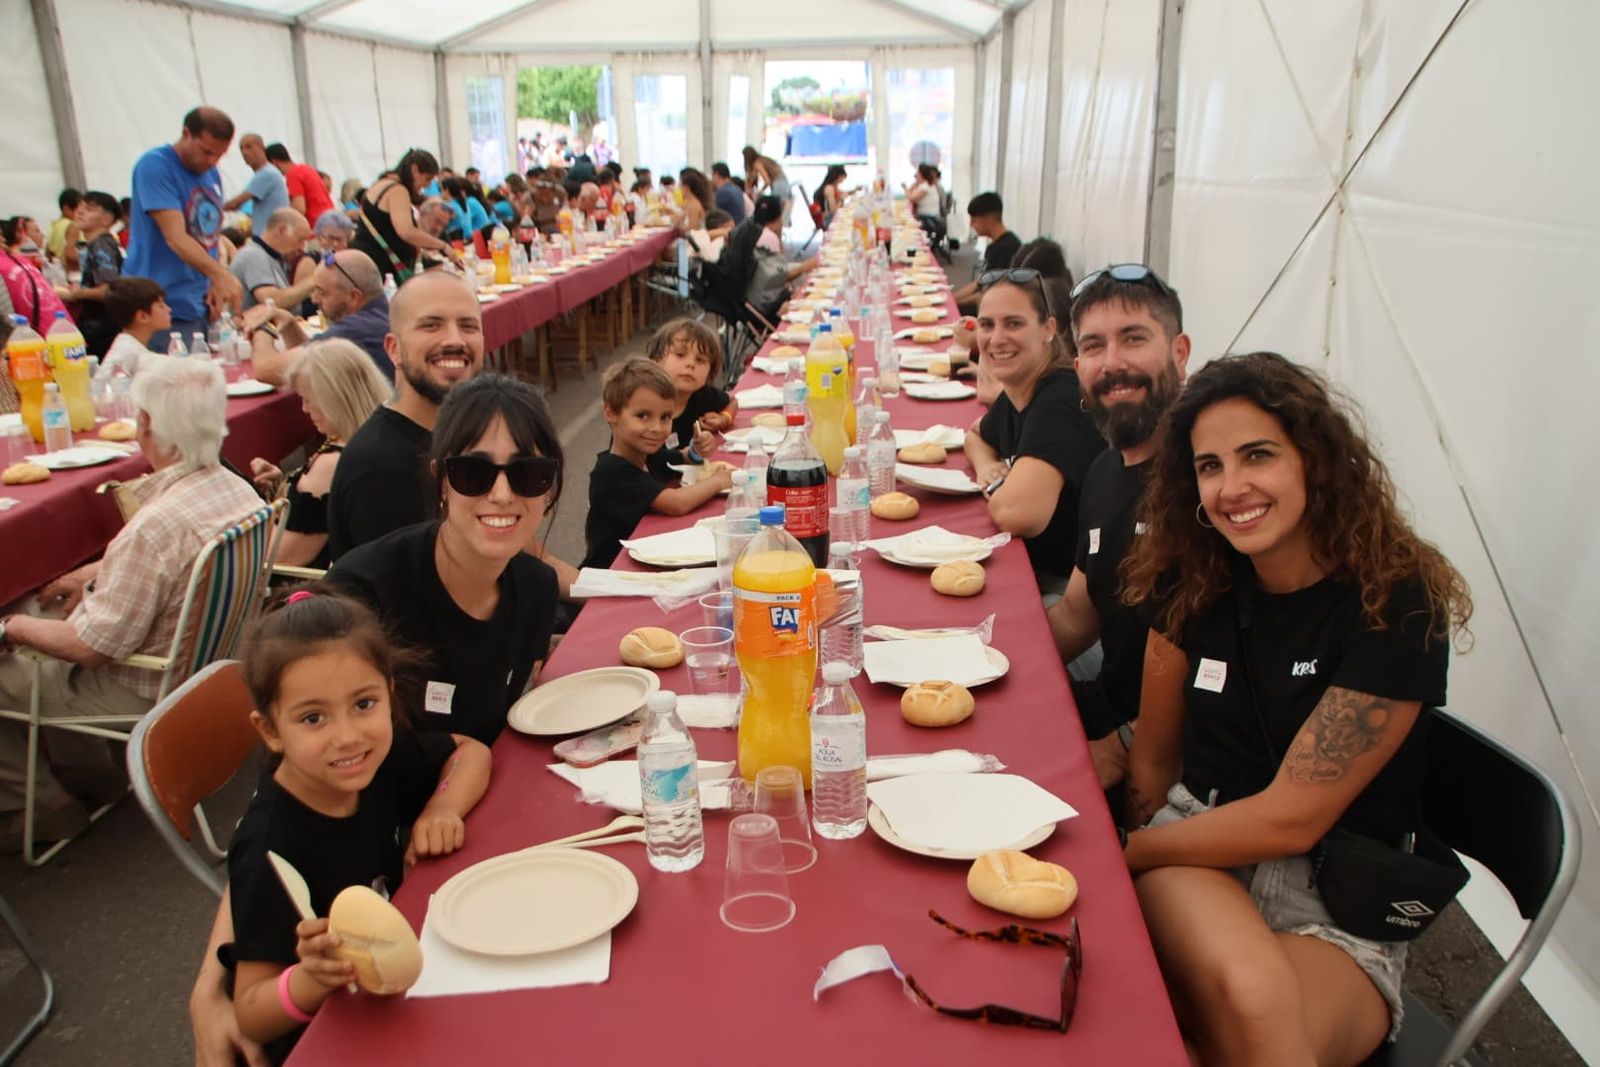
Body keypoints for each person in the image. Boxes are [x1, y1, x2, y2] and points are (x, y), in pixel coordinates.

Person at [1120, 351, 1473, 1066]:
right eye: (1210, 466)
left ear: (1314, 458)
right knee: (1246, 997)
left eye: (1257, 455)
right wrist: (1150, 842)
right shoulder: (1197, 580)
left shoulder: (1395, 598)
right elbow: (1154, 758)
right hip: (1200, 856)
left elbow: (1293, 814)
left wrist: (1127, 854)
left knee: (1231, 1031)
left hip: (1337, 907)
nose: (1232, 486)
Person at [0, 355, 262, 851]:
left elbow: (89, 647)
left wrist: (12, 626)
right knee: (52, 619)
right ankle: (94, 774)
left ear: (145, 424)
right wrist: (99, 572)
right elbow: (178, 560)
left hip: (150, 687)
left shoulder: (155, 524)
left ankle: (43, 805)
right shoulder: (233, 487)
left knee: (28, 641)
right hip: (214, 665)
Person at [221, 589, 490, 1060]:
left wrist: (441, 809)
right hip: (336, 1037)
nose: (346, 736)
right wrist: (307, 981)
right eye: (312, 718)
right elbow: (250, 1012)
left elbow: (470, 752)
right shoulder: (270, 846)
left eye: (363, 704)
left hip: (408, 993)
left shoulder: (375, 760)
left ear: (387, 693)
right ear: (269, 730)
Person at [328, 374, 564, 745]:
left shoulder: (537, 588)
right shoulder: (361, 597)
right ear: (441, 482)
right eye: (474, 473)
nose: (501, 494)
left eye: (528, 474)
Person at [1043, 264, 1189, 791]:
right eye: (1095, 346)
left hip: (1163, 750)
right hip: (1106, 708)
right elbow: (1078, 616)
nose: (1114, 364)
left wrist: (1126, 743)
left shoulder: (1206, 479)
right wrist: (985, 660)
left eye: (1133, 339)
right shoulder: (1107, 469)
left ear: (1180, 351)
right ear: (1078, 364)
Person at [962, 269, 1104, 597]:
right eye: (987, 325)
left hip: (1065, 592)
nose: (997, 339)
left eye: (1014, 323)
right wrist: (987, 468)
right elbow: (974, 435)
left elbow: (1017, 514)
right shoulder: (1020, 390)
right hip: (1033, 569)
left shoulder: (1059, 400)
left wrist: (1000, 485)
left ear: (1048, 329)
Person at [326, 270, 481, 560]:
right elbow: (405, 599)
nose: (455, 339)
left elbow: (525, 555)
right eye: (431, 325)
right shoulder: (379, 469)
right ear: (394, 349)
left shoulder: (471, 432)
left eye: (468, 326)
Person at [249, 339, 391, 569]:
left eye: (308, 399)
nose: (304, 409)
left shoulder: (332, 462)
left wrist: (253, 510)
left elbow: (280, 556)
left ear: (334, 399)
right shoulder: (381, 433)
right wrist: (283, 484)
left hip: (314, 589)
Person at [582, 359, 734, 570]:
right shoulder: (613, 470)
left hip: (644, 560)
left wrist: (696, 452)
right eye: (643, 416)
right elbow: (676, 503)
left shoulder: (647, 455)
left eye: (665, 417)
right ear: (611, 413)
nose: (656, 427)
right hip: (613, 571)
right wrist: (718, 481)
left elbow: (679, 458)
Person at [125, 106, 244, 347]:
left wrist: (213, 281)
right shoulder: (155, 166)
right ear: (186, 133)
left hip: (199, 303)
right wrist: (219, 274)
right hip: (159, 306)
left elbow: (208, 234)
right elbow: (176, 237)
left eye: (219, 155)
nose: (212, 161)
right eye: (206, 151)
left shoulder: (211, 174)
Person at [244, 249, 393, 384]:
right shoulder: (383, 313)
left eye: (322, 292)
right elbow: (317, 357)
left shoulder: (355, 329)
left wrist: (263, 325)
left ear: (354, 297)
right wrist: (290, 325)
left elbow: (266, 370)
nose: (314, 299)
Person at [644, 317, 738, 472]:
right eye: (680, 355)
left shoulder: (702, 396)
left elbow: (733, 401)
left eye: (700, 360)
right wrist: (692, 454)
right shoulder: (643, 404)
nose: (690, 364)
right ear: (656, 360)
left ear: (709, 374)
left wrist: (724, 419)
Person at [350, 149, 456, 284]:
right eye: (427, 179)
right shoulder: (397, 191)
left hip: (371, 262)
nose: (428, 185)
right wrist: (442, 246)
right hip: (381, 267)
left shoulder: (381, 184)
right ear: (415, 170)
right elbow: (406, 231)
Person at [721, 196, 818, 326]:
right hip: (765, 303)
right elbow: (778, 275)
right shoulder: (768, 237)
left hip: (746, 302)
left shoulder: (748, 231)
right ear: (779, 218)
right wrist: (804, 267)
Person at [60, 191, 124, 355]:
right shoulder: (96, 244)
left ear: (107, 219)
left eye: (89, 208)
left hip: (103, 327)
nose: (80, 212)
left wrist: (75, 294)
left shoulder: (101, 246)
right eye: (80, 207)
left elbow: (109, 289)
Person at [230, 208, 312, 312]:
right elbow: (272, 301)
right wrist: (315, 280)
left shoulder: (272, 257)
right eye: (300, 239)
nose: (302, 247)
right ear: (282, 231)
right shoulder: (253, 256)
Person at [952, 192, 1021, 315]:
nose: (971, 225)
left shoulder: (1002, 249)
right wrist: (952, 298)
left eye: (974, 220)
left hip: (999, 307)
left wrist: (954, 303)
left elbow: (986, 294)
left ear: (988, 219)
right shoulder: (1002, 243)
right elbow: (980, 282)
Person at [0, 217, 70, 331]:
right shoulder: (18, 260)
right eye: (37, 231)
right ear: (20, 233)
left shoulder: (18, 261)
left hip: (49, 333)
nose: (43, 235)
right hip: (45, 334)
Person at [98, 276, 170, 380]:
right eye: (161, 305)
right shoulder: (127, 354)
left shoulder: (131, 348)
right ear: (143, 316)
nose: (169, 309)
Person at [264, 143, 335, 226]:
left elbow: (299, 209)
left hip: (318, 226)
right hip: (331, 220)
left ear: (274, 162)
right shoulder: (306, 169)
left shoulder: (293, 175)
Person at [223, 134, 290, 221]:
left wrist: (215, 208)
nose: (244, 153)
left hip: (270, 233)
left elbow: (236, 203)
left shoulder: (266, 174)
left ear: (262, 148)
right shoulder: (264, 173)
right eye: (241, 148)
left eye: (249, 147)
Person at [741, 146, 791, 216]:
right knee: (783, 214)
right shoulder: (764, 160)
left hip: (778, 185)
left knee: (776, 212)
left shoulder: (757, 163)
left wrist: (760, 192)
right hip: (784, 182)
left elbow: (767, 181)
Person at [441, 177, 490, 243]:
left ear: (446, 190)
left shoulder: (451, 206)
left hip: (463, 241)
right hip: (469, 238)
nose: (440, 193)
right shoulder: (463, 203)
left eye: (441, 190)